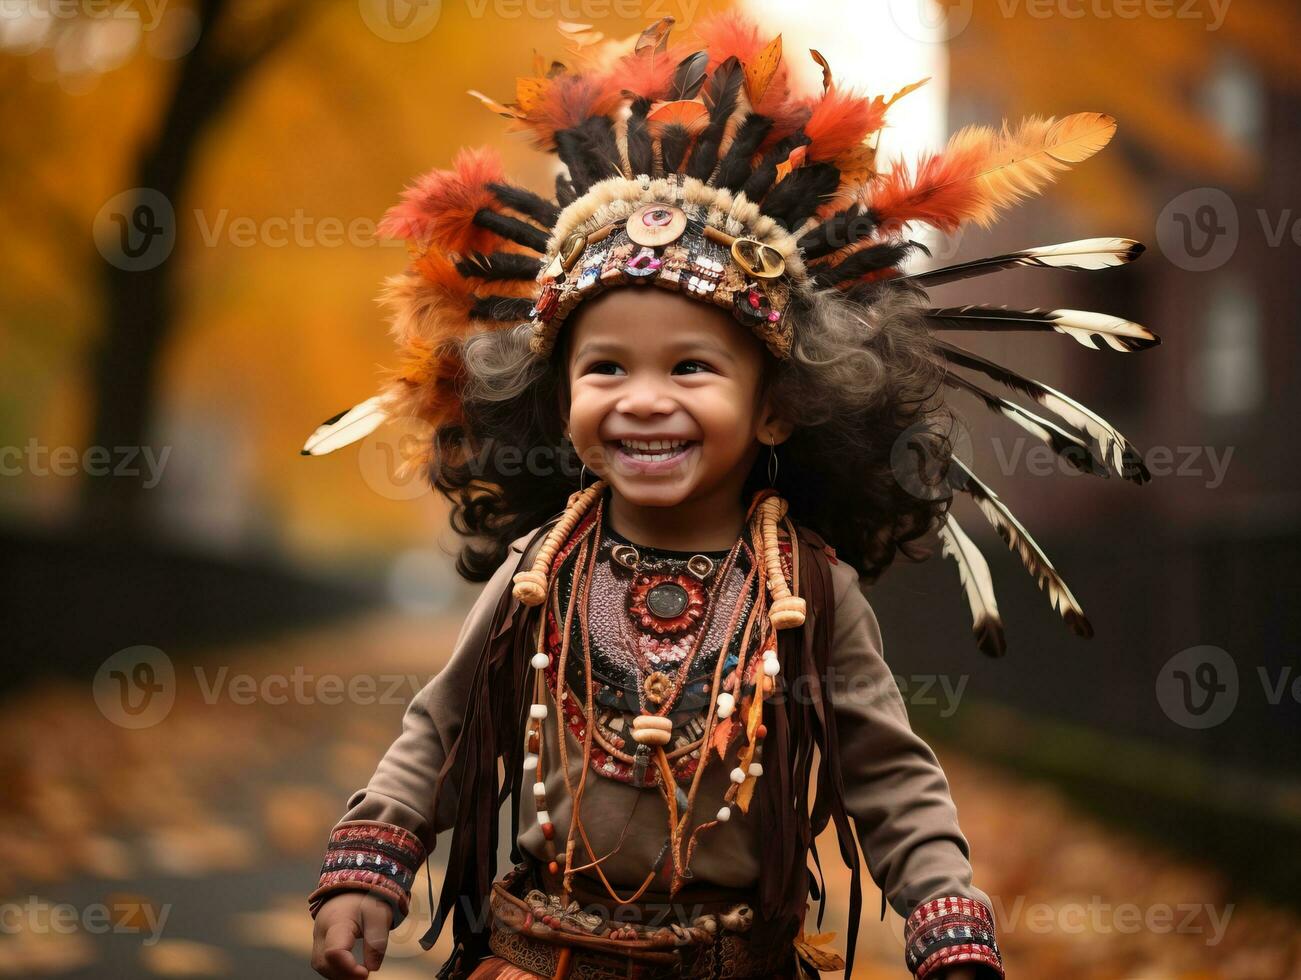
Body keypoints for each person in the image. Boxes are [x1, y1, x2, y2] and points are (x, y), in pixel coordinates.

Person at [301, 12, 1158, 980]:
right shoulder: (537, 576)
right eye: (606, 368)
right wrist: (367, 868)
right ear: (558, 395)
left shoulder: (807, 593)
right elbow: (442, 729)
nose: (644, 400)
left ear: (778, 408)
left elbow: (886, 775)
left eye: (692, 366)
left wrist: (942, 913)